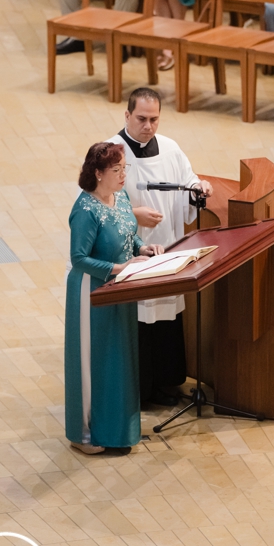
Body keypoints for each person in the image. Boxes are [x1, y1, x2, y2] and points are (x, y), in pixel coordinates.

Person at [106, 88, 209, 404]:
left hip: (168, 247)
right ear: (127, 115)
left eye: (154, 119)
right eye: (141, 119)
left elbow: (189, 181)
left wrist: (199, 190)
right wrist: (133, 215)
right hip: (134, 256)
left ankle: (167, 384)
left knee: (166, 321)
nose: (148, 126)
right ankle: (140, 389)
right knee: (140, 324)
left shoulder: (170, 148)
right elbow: (96, 204)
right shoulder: (111, 152)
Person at [64, 141, 162, 454]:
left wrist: (142, 247)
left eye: (124, 168)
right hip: (91, 293)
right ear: (97, 173)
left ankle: (117, 431)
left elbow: (128, 233)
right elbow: (79, 258)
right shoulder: (85, 211)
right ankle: (85, 435)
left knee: (119, 359)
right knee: (94, 360)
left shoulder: (120, 198)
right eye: (116, 170)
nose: (123, 175)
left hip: (121, 288)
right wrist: (122, 267)